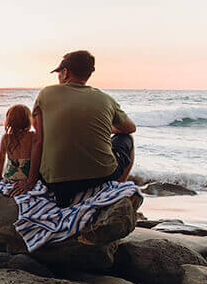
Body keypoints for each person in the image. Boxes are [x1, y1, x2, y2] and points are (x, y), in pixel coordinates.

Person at [10, 50, 136, 206]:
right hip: (99, 178)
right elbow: (130, 128)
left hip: (54, 182)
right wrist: (109, 129)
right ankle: (116, 189)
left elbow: (38, 140)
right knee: (126, 139)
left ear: (65, 72)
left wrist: (31, 181)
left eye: (59, 73)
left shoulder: (46, 94)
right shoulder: (105, 99)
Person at [0, 104, 34, 182]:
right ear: (28, 120)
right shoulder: (32, 136)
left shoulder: (6, 138)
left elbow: (1, 159)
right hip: (27, 178)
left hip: (10, 177)